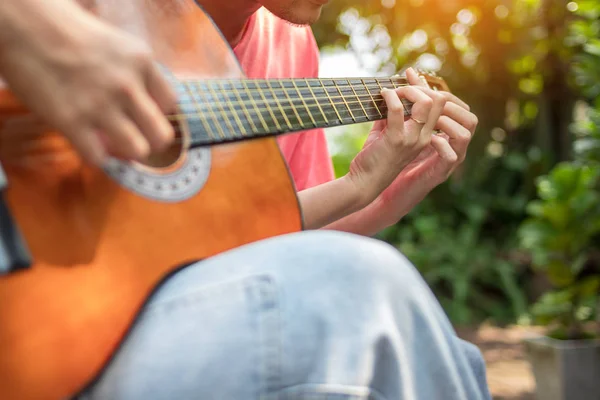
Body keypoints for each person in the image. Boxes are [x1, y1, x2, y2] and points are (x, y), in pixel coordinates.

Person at [0, 0, 490, 399]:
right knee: (367, 292)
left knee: (447, 353)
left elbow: (277, 251)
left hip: (130, 321)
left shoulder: (291, 45)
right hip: (33, 340)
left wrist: (375, 194)